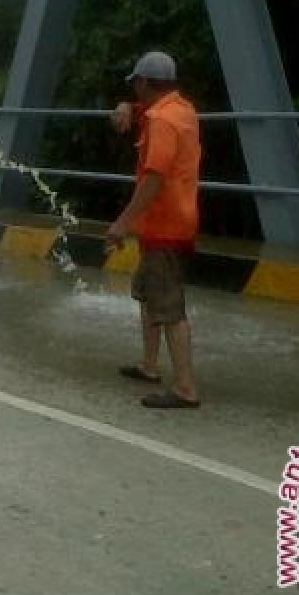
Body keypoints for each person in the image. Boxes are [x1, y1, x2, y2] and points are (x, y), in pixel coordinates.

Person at [106, 51, 202, 409]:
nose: (135, 88)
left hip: (165, 224)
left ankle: (185, 388)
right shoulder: (182, 111)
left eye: (136, 83)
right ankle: (149, 366)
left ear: (145, 82)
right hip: (174, 220)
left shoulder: (162, 121)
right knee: (150, 295)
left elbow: (153, 178)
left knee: (168, 306)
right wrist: (126, 107)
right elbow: (142, 112)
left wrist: (122, 223)